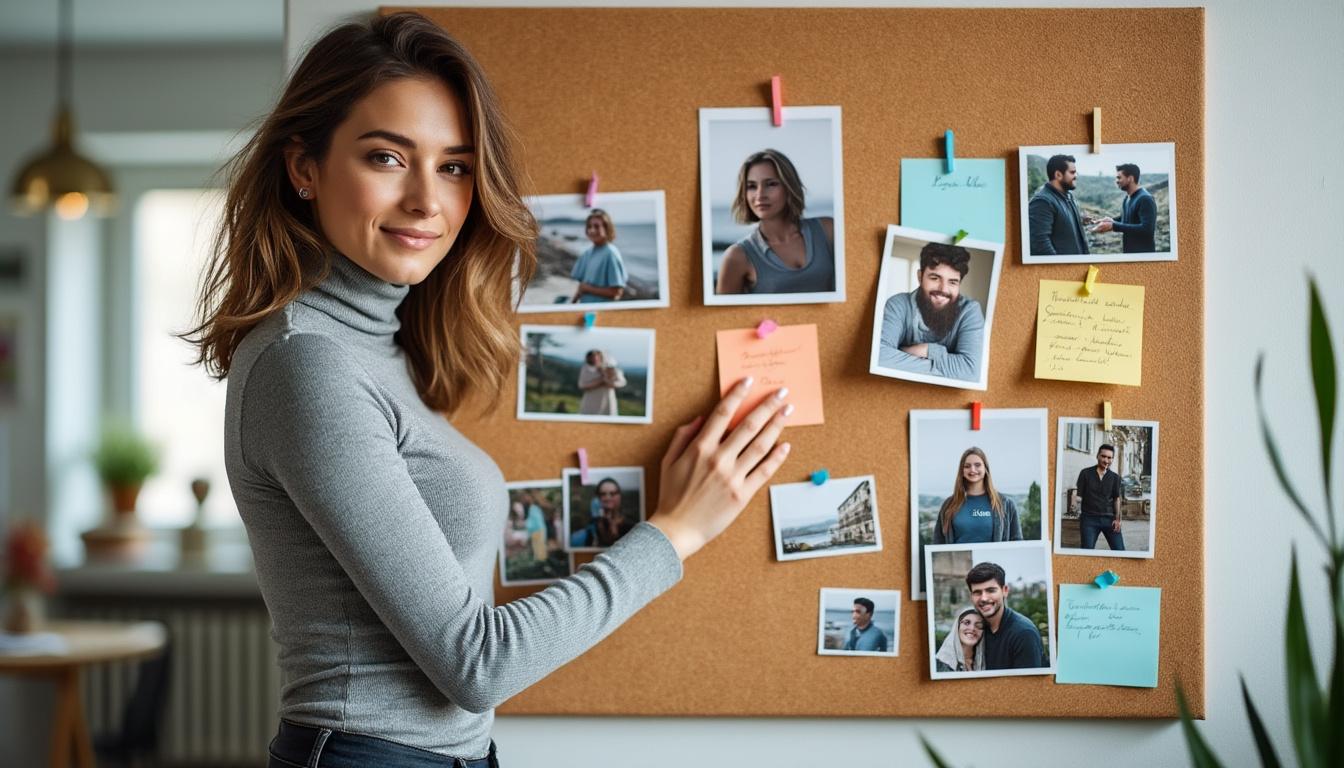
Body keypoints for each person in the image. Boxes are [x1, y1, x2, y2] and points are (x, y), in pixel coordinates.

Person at [187, 13, 793, 765]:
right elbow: (479, 662)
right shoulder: (305, 365)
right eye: (386, 157)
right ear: (303, 167)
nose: (426, 201)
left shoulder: (375, 346)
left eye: (454, 167)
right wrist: (678, 531)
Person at [715, 149, 835, 295]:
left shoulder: (828, 230)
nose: (760, 195)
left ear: (789, 187)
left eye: (771, 184)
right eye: (752, 186)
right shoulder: (737, 256)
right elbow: (723, 317)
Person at [877, 242, 985, 382]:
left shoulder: (970, 311)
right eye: (935, 278)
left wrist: (926, 350)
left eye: (952, 282)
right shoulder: (898, 305)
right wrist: (953, 367)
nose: (943, 289)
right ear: (920, 276)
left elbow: (971, 372)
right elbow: (880, 357)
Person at [931, 447, 1023, 544]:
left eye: (977, 465)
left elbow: (1017, 542)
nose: (972, 469)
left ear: (985, 469)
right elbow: (938, 543)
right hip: (960, 559)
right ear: (962, 471)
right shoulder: (949, 505)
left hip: (994, 559)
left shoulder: (1006, 504)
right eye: (967, 466)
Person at [966, 562, 1046, 671]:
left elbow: (1027, 686)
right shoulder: (974, 630)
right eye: (977, 592)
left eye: (990, 590)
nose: (983, 598)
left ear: (1005, 591)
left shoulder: (1024, 634)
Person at [1027, 153, 1090, 256]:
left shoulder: (1069, 196)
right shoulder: (1042, 202)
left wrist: (1079, 219)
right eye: (1072, 172)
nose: (1076, 176)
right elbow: (1040, 244)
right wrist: (1060, 268)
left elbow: (1060, 221)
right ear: (1058, 175)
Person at [1093, 163, 1157, 253]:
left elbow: (1147, 229)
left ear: (1130, 178)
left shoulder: (1145, 199)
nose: (1116, 181)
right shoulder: (1127, 198)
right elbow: (1127, 219)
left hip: (1143, 256)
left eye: (1119, 177)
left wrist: (1113, 226)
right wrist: (1110, 221)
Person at [1075, 443, 1126, 551]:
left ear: (1112, 459)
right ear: (1097, 456)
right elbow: (1078, 496)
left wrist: (1117, 519)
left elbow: (1116, 499)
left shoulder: (1115, 478)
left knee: (1120, 550)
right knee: (1086, 551)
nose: (1106, 460)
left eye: (1109, 458)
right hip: (1089, 520)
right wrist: (1075, 508)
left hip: (1109, 520)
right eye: (1103, 456)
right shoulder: (1085, 473)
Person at [570, 208, 627, 303]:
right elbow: (582, 287)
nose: (592, 230)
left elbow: (617, 292)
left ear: (607, 228)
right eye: (589, 226)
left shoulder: (611, 253)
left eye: (597, 226)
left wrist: (588, 288)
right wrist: (574, 301)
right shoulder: (588, 253)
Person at [934, 606, 985, 672]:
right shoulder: (939, 663)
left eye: (978, 625)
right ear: (957, 627)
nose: (972, 628)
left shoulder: (985, 662)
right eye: (966, 623)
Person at [577, 349, 626, 416]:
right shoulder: (585, 369)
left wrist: (609, 382)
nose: (594, 360)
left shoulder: (611, 368)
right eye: (592, 358)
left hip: (607, 401)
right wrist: (601, 381)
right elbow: (581, 385)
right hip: (590, 402)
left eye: (596, 358)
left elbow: (622, 382)